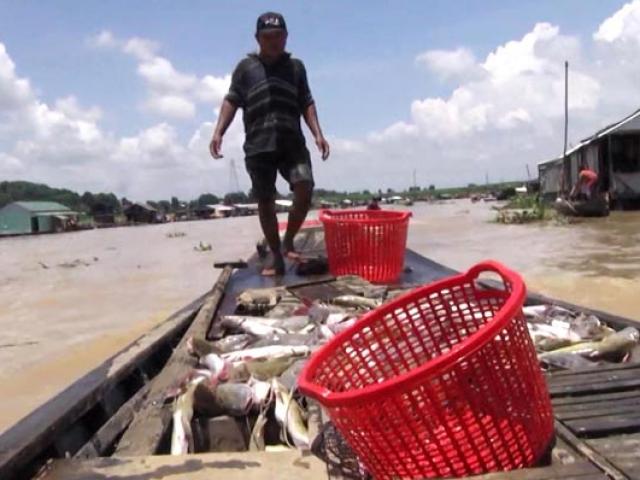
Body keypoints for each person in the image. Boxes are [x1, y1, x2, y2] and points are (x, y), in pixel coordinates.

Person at [210, 12, 330, 276]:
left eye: (278, 36)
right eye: (267, 37)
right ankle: (276, 256)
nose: (274, 42)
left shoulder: (296, 67)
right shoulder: (245, 69)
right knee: (265, 201)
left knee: (304, 186)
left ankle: (288, 242)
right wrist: (219, 131)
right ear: (258, 39)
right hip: (259, 144)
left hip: (292, 142)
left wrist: (318, 134)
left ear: (286, 37)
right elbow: (232, 100)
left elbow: (306, 101)